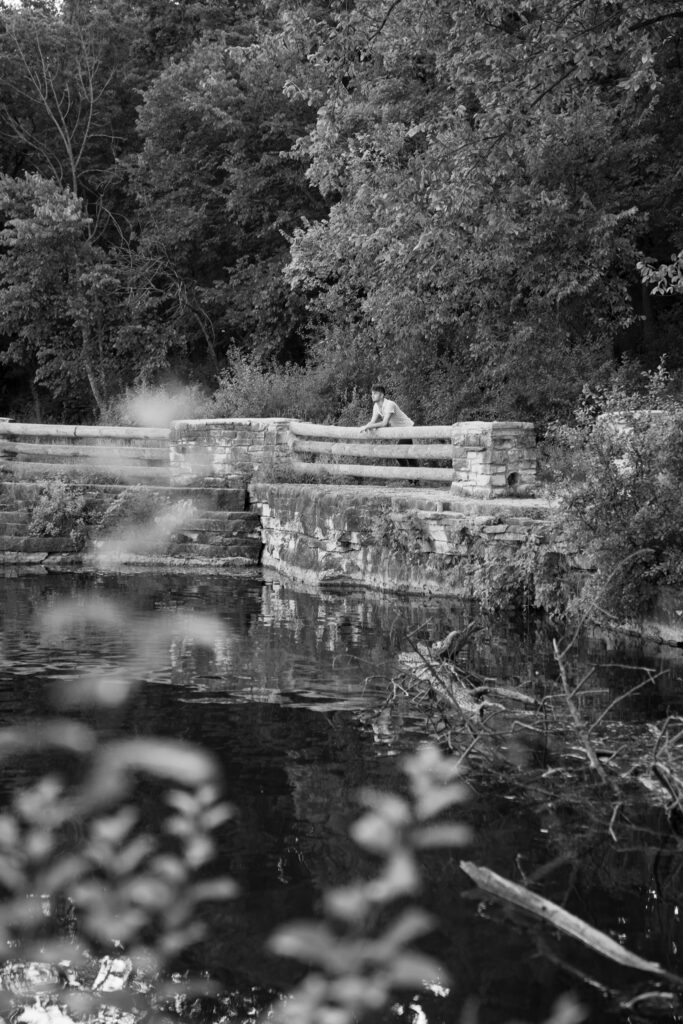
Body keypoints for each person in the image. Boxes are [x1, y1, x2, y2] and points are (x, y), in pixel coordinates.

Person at [359, 384, 415, 471]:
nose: (372, 395)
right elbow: (372, 421)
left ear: (382, 395)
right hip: (401, 431)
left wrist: (369, 426)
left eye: (375, 393)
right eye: (372, 393)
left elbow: (384, 423)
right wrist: (366, 426)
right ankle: (413, 479)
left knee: (400, 453)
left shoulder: (390, 404)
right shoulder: (376, 406)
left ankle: (412, 478)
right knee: (408, 454)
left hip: (409, 429)